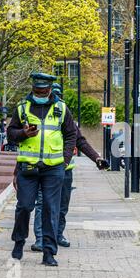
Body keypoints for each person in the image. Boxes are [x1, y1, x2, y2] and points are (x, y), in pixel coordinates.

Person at [8, 73, 77, 267]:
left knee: (50, 209)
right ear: (33, 88)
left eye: (43, 91)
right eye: (37, 90)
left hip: (54, 169)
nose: (40, 93)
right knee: (25, 206)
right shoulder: (22, 108)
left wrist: (64, 161)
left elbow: (71, 134)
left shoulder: (61, 108)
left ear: (49, 90)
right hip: (27, 168)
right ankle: (19, 242)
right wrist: (23, 133)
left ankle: (48, 252)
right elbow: (10, 134)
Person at [31, 87, 109, 252]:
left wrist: (97, 158)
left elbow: (80, 141)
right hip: (45, 168)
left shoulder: (65, 118)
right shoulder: (38, 117)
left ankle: (57, 234)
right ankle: (40, 239)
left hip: (65, 170)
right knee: (43, 203)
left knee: (62, 206)